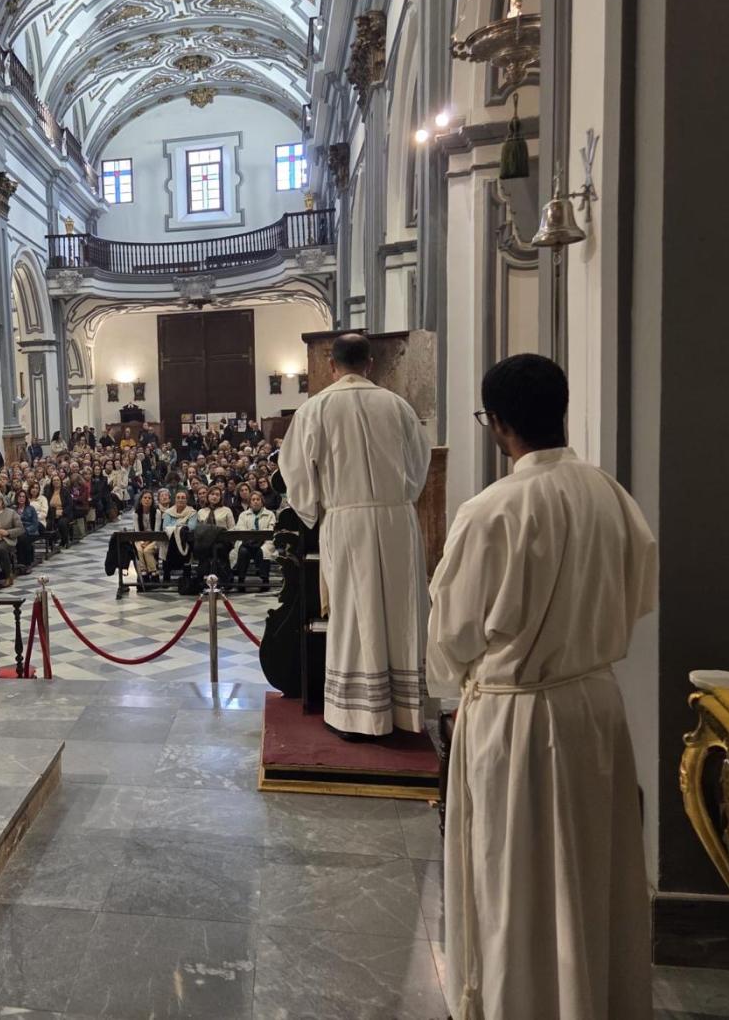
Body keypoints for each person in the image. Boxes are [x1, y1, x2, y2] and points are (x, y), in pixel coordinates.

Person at [428, 355, 655, 1020]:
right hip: (594, 707)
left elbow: (454, 636)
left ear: (497, 423)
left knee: (517, 881)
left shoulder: (490, 510)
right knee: (592, 872)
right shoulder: (611, 494)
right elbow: (639, 595)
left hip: (517, 718)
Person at [278, 332, 431, 740]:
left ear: (332, 366)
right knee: (401, 612)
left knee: (352, 613)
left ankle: (356, 716)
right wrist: (397, 500)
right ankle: (402, 711)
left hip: (346, 523)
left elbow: (294, 473)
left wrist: (316, 509)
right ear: (370, 364)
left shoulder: (316, 409)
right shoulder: (398, 406)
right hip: (397, 521)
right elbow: (419, 464)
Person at [232, 491, 276, 586]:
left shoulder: (270, 514)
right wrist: (250, 537)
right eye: (253, 500)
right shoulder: (243, 515)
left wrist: (259, 537)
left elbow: (271, 529)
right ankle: (241, 578)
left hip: (264, 541)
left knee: (263, 551)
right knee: (243, 551)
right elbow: (240, 528)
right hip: (247, 542)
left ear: (262, 501)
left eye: (258, 499)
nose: (255, 502)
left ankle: (265, 579)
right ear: (250, 502)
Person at [133, 490, 163, 582]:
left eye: (149, 498)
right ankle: (144, 572)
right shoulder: (136, 513)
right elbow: (137, 531)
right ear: (141, 500)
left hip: (154, 539)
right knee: (139, 549)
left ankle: (154, 573)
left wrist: (148, 542)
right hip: (140, 539)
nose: (147, 500)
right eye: (145, 498)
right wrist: (142, 542)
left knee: (147, 550)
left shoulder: (157, 512)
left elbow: (157, 531)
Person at [13, 489, 40, 568]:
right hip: (17, 531)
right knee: (20, 537)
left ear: (26, 499)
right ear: (17, 498)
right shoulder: (13, 509)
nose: (21, 498)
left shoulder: (31, 509)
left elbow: (35, 524)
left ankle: (25, 562)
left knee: (23, 538)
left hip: (30, 531)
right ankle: (21, 562)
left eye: (23, 497)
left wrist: (26, 530)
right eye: (20, 496)